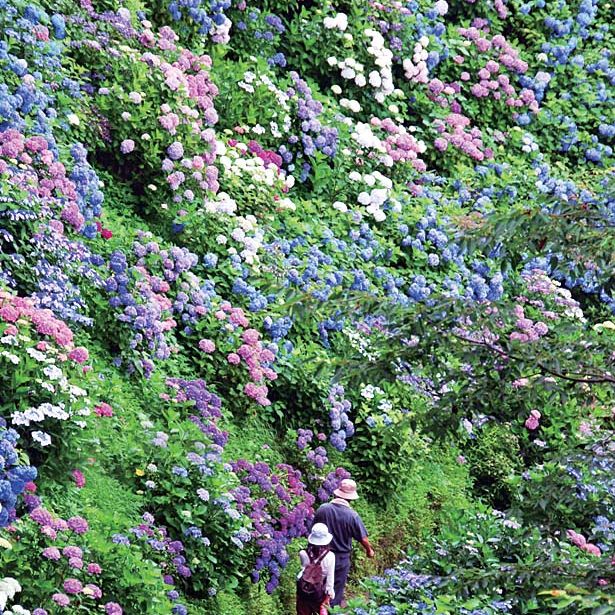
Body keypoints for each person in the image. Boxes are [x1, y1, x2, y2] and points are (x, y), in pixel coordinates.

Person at [313, 479, 374, 607]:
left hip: (319, 555)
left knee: (318, 585)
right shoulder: (352, 516)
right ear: (351, 498)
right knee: (334, 589)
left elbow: (313, 530)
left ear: (336, 494)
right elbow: (363, 538)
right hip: (340, 558)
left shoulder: (323, 509)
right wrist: (369, 551)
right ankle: (331, 609)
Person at [296, 523, 336, 615]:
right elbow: (330, 581)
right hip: (319, 594)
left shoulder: (303, 553)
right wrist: (327, 599)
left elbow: (303, 574)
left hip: (304, 592)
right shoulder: (330, 556)